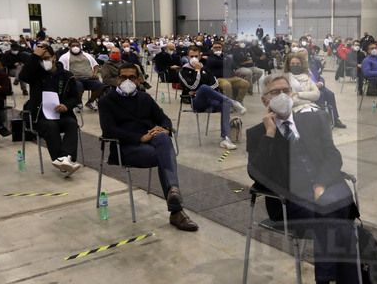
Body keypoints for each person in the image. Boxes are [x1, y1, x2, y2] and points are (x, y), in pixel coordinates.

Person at [246, 73, 370, 284]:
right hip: (292, 204)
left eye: (286, 90)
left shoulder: (314, 120)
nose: (282, 94)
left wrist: (321, 184)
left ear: (293, 94)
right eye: (275, 92)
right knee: (340, 227)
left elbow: (333, 157)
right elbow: (258, 175)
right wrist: (270, 134)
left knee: (331, 213)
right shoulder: (257, 134)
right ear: (265, 100)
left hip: (327, 191)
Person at [98, 63, 198, 231]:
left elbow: (163, 118)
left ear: (138, 80)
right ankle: (176, 209)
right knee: (166, 155)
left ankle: (173, 192)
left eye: (132, 77)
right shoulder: (106, 100)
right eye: (124, 77)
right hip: (127, 147)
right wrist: (140, 137)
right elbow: (109, 129)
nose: (127, 81)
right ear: (118, 79)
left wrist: (165, 129)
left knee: (163, 138)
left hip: (152, 143)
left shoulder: (145, 98)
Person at [19, 45, 82, 176]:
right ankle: (64, 160)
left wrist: (66, 105)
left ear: (54, 58)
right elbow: (23, 76)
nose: (44, 61)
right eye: (40, 59)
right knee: (51, 126)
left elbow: (74, 97)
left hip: (61, 114)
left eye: (46, 58)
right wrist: (34, 56)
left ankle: (64, 159)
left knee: (71, 124)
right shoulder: (35, 74)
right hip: (40, 116)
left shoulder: (67, 75)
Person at [178, 48, 246, 150]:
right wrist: (197, 71)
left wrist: (206, 89)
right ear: (187, 57)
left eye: (196, 56)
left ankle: (225, 139)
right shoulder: (183, 71)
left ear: (200, 57)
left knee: (224, 105)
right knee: (203, 87)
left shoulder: (206, 69)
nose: (194, 58)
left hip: (210, 101)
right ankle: (232, 102)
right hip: (197, 102)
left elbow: (215, 84)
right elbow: (192, 86)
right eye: (191, 56)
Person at [58, 40, 103, 111]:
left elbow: (95, 65)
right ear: (70, 47)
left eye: (77, 46)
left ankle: (90, 102)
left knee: (100, 85)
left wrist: (95, 73)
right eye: (73, 46)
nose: (75, 47)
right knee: (77, 86)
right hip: (76, 79)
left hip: (90, 78)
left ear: (80, 46)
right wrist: (70, 76)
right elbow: (61, 68)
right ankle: (78, 102)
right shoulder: (64, 57)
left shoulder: (87, 55)